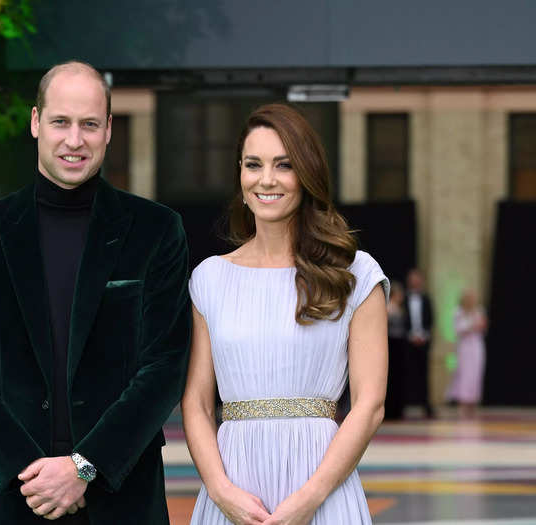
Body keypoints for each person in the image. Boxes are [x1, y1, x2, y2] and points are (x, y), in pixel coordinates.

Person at [0, 61, 191, 524]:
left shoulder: (156, 231)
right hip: (11, 500)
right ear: (36, 122)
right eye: (61, 122)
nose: (75, 140)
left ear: (109, 129)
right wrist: (32, 473)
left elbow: (165, 366)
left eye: (89, 124)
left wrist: (85, 466)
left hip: (122, 500)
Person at [181, 103, 389, 525]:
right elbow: (198, 404)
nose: (267, 179)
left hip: (323, 492)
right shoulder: (209, 278)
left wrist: (309, 499)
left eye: (284, 164)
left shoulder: (355, 273)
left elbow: (370, 405)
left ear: (307, 175)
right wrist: (222, 492)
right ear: (240, 176)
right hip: (232, 495)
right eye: (253, 164)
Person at [446, 289, 487, 418]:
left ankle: (473, 404)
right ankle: (462, 405)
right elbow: (459, 329)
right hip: (464, 347)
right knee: (464, 374)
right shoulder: (458, 312)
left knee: (476, 375)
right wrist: (471, 326)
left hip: (476, 346)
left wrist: (473, 325)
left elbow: (482, 326)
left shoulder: (479, 311)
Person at [403, 268, 435, 418]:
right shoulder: (403, 299)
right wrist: (410, 335)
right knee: (406, 374)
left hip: (423, 342)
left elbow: (430, 320)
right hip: (407, 343)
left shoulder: (426, 299)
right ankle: (403, 406)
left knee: (424, 375)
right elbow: (402, 321)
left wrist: (423, 335)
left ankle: (426, 407)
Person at [385, 281, 406, 420]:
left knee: (399, 377)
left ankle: (398, 409)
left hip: (400, 346)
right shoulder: (388, 308)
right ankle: (390, 409)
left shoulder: (401, 308)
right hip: (391, 345)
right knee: (390, 377)